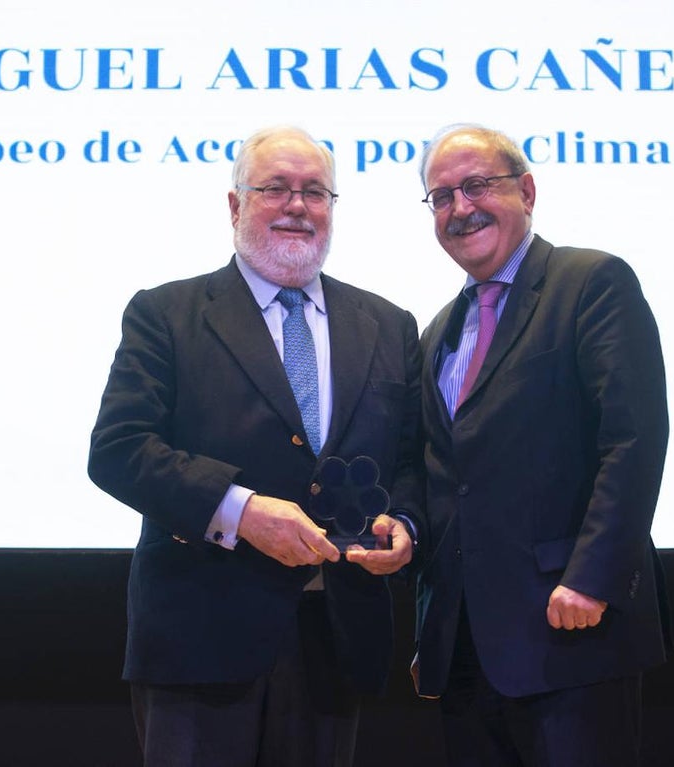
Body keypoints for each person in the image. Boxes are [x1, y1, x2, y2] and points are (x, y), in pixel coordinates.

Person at [87, 125, 423, 767]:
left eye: (315, 192)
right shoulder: (168, 313)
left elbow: (407, 460)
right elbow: (119, 449)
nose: (298, 206)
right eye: (276, 189)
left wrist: (404, 521)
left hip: (337, 641)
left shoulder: (387, 323)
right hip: (200, 638)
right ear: (236, 206)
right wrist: (240, 512)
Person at [410, 123, 671, 766]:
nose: (461, 208)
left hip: (572, 630)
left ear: (526, 191)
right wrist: (432, 626)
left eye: (477, 186)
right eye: (441, 197)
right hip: (467, 651)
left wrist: (594, 579)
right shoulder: (440, 330)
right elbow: (447, 479)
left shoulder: (591, 283)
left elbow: (634, 438)